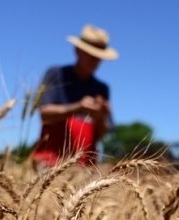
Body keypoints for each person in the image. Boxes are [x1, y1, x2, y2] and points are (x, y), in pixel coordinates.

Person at [32, 24, 119, 167]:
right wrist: (78, 107)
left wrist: (101, 117)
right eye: (90, 55)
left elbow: (103, 134)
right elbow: (44, 114)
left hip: (85, 167)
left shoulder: (102, 89)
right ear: (77, 50)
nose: (95, 61)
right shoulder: (57, 74)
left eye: (98, 57)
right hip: (50, 162)